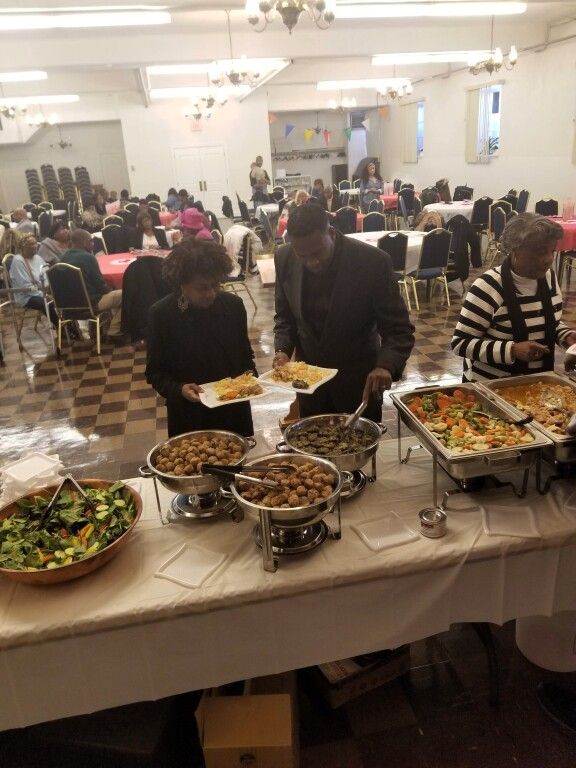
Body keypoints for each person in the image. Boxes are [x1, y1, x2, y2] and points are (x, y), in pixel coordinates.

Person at [273, 205, 415, 422]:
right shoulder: (284, 258)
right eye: (303, 255)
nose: (312, 262)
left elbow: (398, 329)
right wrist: (282, 349)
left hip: (358, 384)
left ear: (331, 232)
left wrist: (385, 365)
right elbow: (285, 316)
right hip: (309, 385)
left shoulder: (372, 262)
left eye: (318, 253)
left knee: (360, 452)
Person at [146, 238, 257, 437]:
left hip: (233, 410)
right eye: (202, 287)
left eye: (216, 285)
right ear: (181, 284)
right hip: (190, 414)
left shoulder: (233, 306)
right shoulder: (162, 314)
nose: (211, 293)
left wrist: (250, 377)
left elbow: (244, 355)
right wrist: (179, 389)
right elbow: (155, 373)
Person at [452, 213, 576, 381]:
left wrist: (565, 335)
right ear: (514, 250)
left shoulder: (549, 279)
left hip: (538, 383)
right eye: (540, 252)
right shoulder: (488, 286)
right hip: (492, 388)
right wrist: (512, 350)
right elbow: (460, 343)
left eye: (552, 251)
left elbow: (541, 319)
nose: (548, 259)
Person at [61, 229, 125, 344]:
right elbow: (101, 286)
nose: (93, 244)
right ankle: (114, 331)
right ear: (83, 242)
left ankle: (96, 330)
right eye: (91, 241)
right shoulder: (88, 258)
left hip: (66, 307)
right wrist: (112, 290)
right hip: (90, 304)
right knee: (127, 294)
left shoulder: (62, 258)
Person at [8, 234, 59, 328]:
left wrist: (49, 290)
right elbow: (25, 286)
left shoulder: (38, 258)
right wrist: (44, 295)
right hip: (26, 296)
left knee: (64, 298)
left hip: (42, 291)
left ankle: (70, 327)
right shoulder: (18, 261)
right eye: (31, 244)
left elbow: (46, 275)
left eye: (35, 243)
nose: (36, 246)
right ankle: (62, 330)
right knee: (47, 303)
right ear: (23, 246)